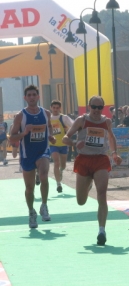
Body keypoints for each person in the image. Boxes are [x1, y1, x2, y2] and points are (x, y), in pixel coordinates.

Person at [62, 95, 122, 245]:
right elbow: (65, 138)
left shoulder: (106, 122)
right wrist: (76, 142)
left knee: (102, 194)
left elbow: (111, 138)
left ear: (103, 109)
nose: (96, 110)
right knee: (81, 201)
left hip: (100, 159)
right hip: (84, 160)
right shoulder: (81, 120)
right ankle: (88, 185)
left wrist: (114, 154)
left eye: (99, 107)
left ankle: (102, 230)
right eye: (94, 107)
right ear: (89, 107)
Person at [9, 85, 56, 228]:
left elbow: (49, 127)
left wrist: (50, 136)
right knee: (29, 188)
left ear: (38, 96)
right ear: (25, 98)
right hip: (27, 154)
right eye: (29, 95)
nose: (31, 97)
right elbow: (12, 137)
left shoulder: (46, 113)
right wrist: (24, 133)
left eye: (34, 94)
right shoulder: (20, 116)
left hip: (42, 151)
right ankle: (31, 212)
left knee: (43, 175)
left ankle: (44, 205)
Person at [50, 100, 74, 193]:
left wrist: (68, 133)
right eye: (54, 108)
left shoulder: (64, 118)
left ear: (60, 108)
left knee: (63, 165)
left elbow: (73, 126)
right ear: (51, 108)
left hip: (63, 144)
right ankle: (58, 184)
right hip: (53, 144)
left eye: (57, 108)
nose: (55, 109)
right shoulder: (48, 118)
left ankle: (61, 171)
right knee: (56, 162)